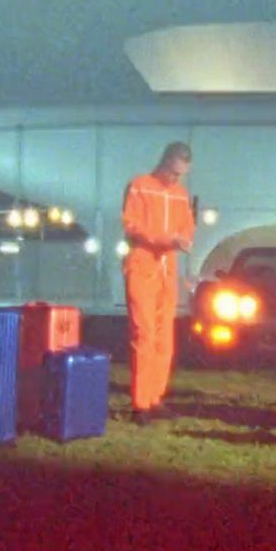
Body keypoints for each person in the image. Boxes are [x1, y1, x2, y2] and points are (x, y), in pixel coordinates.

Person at [121, 141, 195, 419]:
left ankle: (155, 397)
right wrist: (167, 239)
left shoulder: (180, 194)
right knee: (145, 333)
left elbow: (187, 225)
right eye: (174, 172)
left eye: (181, 174)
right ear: (165, 162)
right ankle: (141, 403)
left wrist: (185, 237)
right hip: (143, 263)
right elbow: (132, 225)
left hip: (167, 268)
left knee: (164, 336)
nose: (176, 179)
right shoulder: (140, 185)